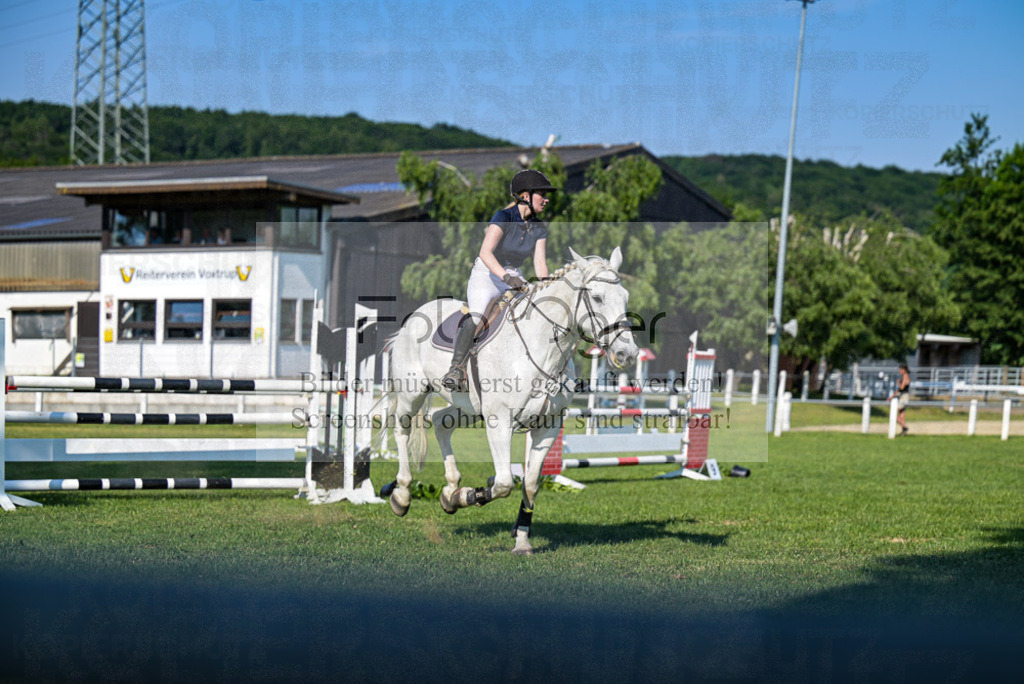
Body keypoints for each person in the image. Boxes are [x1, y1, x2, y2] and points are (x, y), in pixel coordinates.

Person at [441, 169, 556, 391]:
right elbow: (485, 252)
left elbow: (540, 266)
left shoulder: (539, 227)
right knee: (477, 315)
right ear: (525, 196)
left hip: (514, 275)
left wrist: (548, 287)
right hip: (488, 272)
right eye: (542, 194)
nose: (547, 199)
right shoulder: (503, 217)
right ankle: (456, 368)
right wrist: (505, 277)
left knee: (536, 312)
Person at [889, 363, 911, 436]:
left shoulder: (905, 376)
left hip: (904, 397)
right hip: (903, 396)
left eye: (900, 369)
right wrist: (892, 396)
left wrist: (898, 382)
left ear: (904, 370)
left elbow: (901, 388)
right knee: (901, 416)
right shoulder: (904, 376)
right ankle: (903, 431)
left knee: (894, 413)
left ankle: (904, 427)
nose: (899, 371)